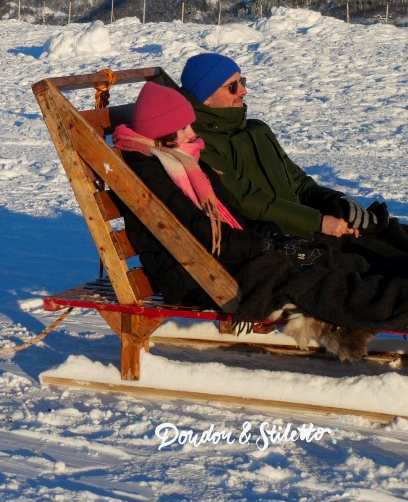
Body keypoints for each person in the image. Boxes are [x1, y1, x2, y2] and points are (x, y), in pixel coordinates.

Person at [114, 81, 408, 361]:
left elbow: (235, 220)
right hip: (200, 274)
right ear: (162, 135)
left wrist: (277, 239)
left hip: (227, 257)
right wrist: (269, 246)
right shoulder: (152, 175)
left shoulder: (182, 161)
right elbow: (204, 235)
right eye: (183, 128)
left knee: (331, 257)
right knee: (313, 282)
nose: (194, 134)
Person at [179, 51, 403, 245]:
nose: (243, 91)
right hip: (279, 240)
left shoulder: (257, 130)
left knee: (393, 232)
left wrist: (335, 201)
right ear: (206, 98)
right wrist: (318, 223)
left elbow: (298, 182)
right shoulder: (200, 145)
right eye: (232, 86)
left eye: (242, 81)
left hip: (307, 228)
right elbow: (246, 200)